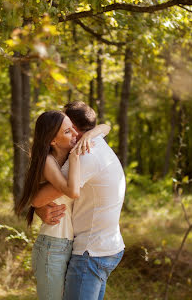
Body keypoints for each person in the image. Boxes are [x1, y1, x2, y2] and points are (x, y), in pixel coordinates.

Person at [34, 101, 125, 300]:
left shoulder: (84, 155)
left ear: (75, 129)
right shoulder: (97, 144)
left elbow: (39, 198)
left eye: (68, 126)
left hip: (91, 251)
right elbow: (38, 197)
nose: (71, 133)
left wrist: (37, 206)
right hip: (103, 246)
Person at [15, 110, 110, 300]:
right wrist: (75, 156)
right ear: (53, 141)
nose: (76, 134)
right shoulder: (49, 162)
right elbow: (72, 191)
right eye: (68, 132)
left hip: (70, 245)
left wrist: (90, 134)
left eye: (74, 129)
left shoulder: (64, 160)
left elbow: (105, 127)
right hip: (53, 246)